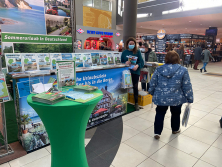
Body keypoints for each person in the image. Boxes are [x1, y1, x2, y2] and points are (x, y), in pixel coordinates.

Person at [148, 51, 193, 140]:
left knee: (160, 113)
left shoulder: (158, 69)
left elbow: (152, 82)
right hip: (176, 98)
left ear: (166, 59)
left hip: (161, 97)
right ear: (178, 59)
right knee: (176, 114)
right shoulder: (183, 70)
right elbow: (187, 85)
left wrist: (151, 92)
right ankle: (175, 129)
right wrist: (189, 98)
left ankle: (157, 133)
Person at [121, 37, 144, 111]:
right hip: (126, 73)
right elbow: (121, 62)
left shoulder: (137, 52)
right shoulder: (124, 52)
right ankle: (124, 103)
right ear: (127, 44)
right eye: (130, 44)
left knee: (135, 87)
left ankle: (136, 103)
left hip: (135, 72)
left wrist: (137, 66)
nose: (131, 45)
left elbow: (142, 62)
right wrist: (125, 63)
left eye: (133, 44)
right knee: (125, 87)